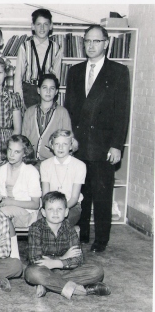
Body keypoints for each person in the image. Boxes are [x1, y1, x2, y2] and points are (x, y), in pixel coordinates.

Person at [64, 25, 131, 253]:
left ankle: (101, 240)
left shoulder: (118, 72)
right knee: (82, 192)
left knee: (102, 193)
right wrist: (69, 138)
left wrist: (117, 145)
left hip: (104, 145)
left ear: (106, 43)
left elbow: (122, 112)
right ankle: (81, 235)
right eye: (87, 41)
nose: (91, 46)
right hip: (79, 143)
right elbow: (69, 109)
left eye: (96, 41)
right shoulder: (74, 71)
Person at [24, 191, 111, 299]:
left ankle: (48, 285)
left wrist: (55, 263)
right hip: (45, 269)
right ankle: (82, 291)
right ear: (43, 212)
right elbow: (35, 259)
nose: (55, 213)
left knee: (97, 271)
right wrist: (62, 258)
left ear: (66, 212)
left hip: (64, 269)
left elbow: (78, 259)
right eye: (50, 209)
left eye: (59, 209)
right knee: (31, 273)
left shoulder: (69, 229)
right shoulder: (35, 228)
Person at [14, 9, 63, 109]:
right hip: (29, 90)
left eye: (45, 24)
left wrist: (54, 96)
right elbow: (18, 76)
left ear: (51, 26)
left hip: (47, 90)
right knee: (29, 122)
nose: (42, 28)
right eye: (38, 24)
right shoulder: (25, 46)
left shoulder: (56, 48)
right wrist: (19, 99)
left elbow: (56, 76)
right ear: (33, 26)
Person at [22, 74, 71, 164]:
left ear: (56, 91)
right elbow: (24, 139)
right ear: (38, 90)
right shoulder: (29, 112)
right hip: (31, 162)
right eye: (44, 87)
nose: (48, 91)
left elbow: (68, 140)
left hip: (53, 162)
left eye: (52, 88)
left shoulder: (62, 112)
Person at [40, 130, 85, 227]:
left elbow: (74, 198)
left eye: (65, 144)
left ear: (70, 146)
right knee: (39, 224)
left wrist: (61, 209)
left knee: (60, 224)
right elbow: (45, 195)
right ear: (52, 146)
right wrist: (52, 209)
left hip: (71, 206)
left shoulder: (80, 165)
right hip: (50, 205)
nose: (60, 147)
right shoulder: (45, 165)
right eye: (57, 144)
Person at [0, 135, 41, 229]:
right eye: (10, 150)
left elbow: (35, 204)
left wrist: (11, 202)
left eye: (17, 152)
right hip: (7, 209)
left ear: (24, 153)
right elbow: (1, 197)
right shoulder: (2, 170)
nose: (11, 155)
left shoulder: (31, 171)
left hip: (27, 212)